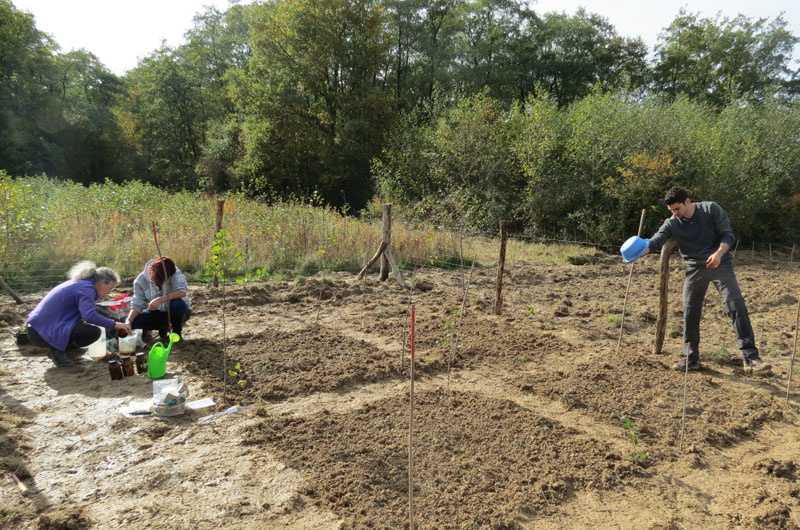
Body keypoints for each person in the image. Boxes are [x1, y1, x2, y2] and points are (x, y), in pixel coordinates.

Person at [641, 187, 770, 373]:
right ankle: (690, 358)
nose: (675, 214)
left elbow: (728, 235)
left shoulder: (711, 209)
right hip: (694, 268)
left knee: (736, 306)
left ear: (687, 201)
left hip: (721, 264)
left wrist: (718, 254)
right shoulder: (672, 222)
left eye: (677, 209)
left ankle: (751, 358)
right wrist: (640, 249)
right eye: (671, 211)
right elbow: (655, 241)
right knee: (690, 311)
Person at [26, 261, 132, 367]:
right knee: (92, 332)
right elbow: (89, 316)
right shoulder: (86, 289)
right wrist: (115, 324)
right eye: (110, 289)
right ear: (103, 282)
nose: (109, 292)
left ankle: (64, 349)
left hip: (38, 327)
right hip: (41, 332)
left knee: (86, 329)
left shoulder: (81, 284)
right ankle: (57, 350)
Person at [126, 256, 191, 341]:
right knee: (135, 322)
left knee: (177, 304)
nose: (161, 283)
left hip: (178, 312)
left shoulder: (175, 273)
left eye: (164, 280)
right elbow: (136, 306)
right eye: (157, 279)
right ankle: (162, 327)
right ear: (151, 271)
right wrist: (128, 321)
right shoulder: (140, 281)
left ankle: (176, 332)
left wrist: (159, 299)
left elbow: (182, 292)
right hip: (158, 313)